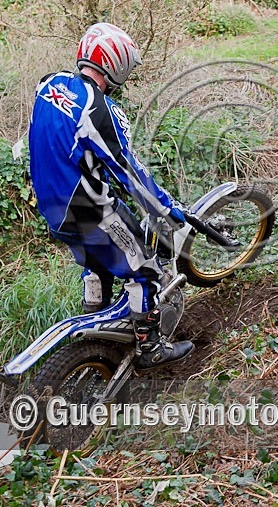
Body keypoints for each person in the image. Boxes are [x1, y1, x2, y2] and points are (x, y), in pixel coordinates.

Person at [27, 22, 194, 372]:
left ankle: (95, 321)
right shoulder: (99, 110)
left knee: (96, 261)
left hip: (52, 208)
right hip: (89, 211)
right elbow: (129, 172)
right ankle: (150, 348)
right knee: (145, 269)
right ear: (116, 65)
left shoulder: (48, 84)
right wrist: (166, 208)